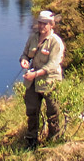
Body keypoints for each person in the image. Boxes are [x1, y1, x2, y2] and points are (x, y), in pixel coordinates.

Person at [20, 9, 65, 147]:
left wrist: (36, 74)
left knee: (53, 111)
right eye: (40, 23)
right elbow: (25, 54)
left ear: (51, 25)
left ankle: (54, 140)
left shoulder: (56, 42)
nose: (41, 26)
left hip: (50, 81)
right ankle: (31, 139)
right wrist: (24, 61)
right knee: (32, 110)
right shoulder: (33, 38)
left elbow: (52, 65)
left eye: (45, 24)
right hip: (33, 82)